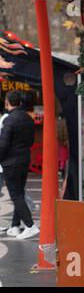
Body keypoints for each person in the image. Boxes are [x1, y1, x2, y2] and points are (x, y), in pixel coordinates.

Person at [0, 91, 39, 239]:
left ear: (7, 102)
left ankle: (30, 225)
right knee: (20, 194)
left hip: (11, 162)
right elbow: (31, 141)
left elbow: (3, 145)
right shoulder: (28, 118)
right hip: (24, 159)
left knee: (16, 195)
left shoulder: (9, 120)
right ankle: (15, 226)